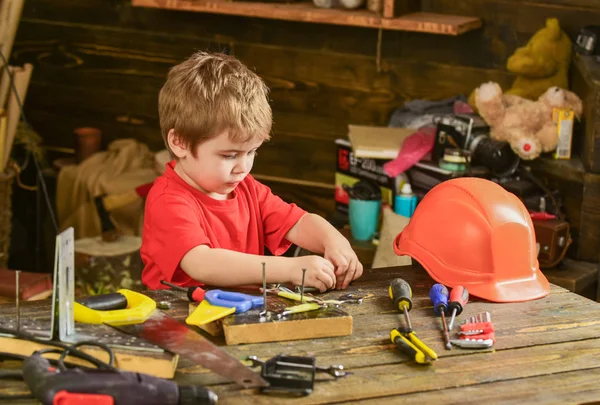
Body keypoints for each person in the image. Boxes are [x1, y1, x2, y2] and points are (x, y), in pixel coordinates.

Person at [140, 51, 363, 292]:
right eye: (229, 155)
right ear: (180, 142)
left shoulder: (246, 187)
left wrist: (333, 241)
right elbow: (201, 263)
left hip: (238, 315)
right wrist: (289, 269)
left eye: (251, 152)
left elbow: (297, 222)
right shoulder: (167, 200)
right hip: (177, 320)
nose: (243, 167)